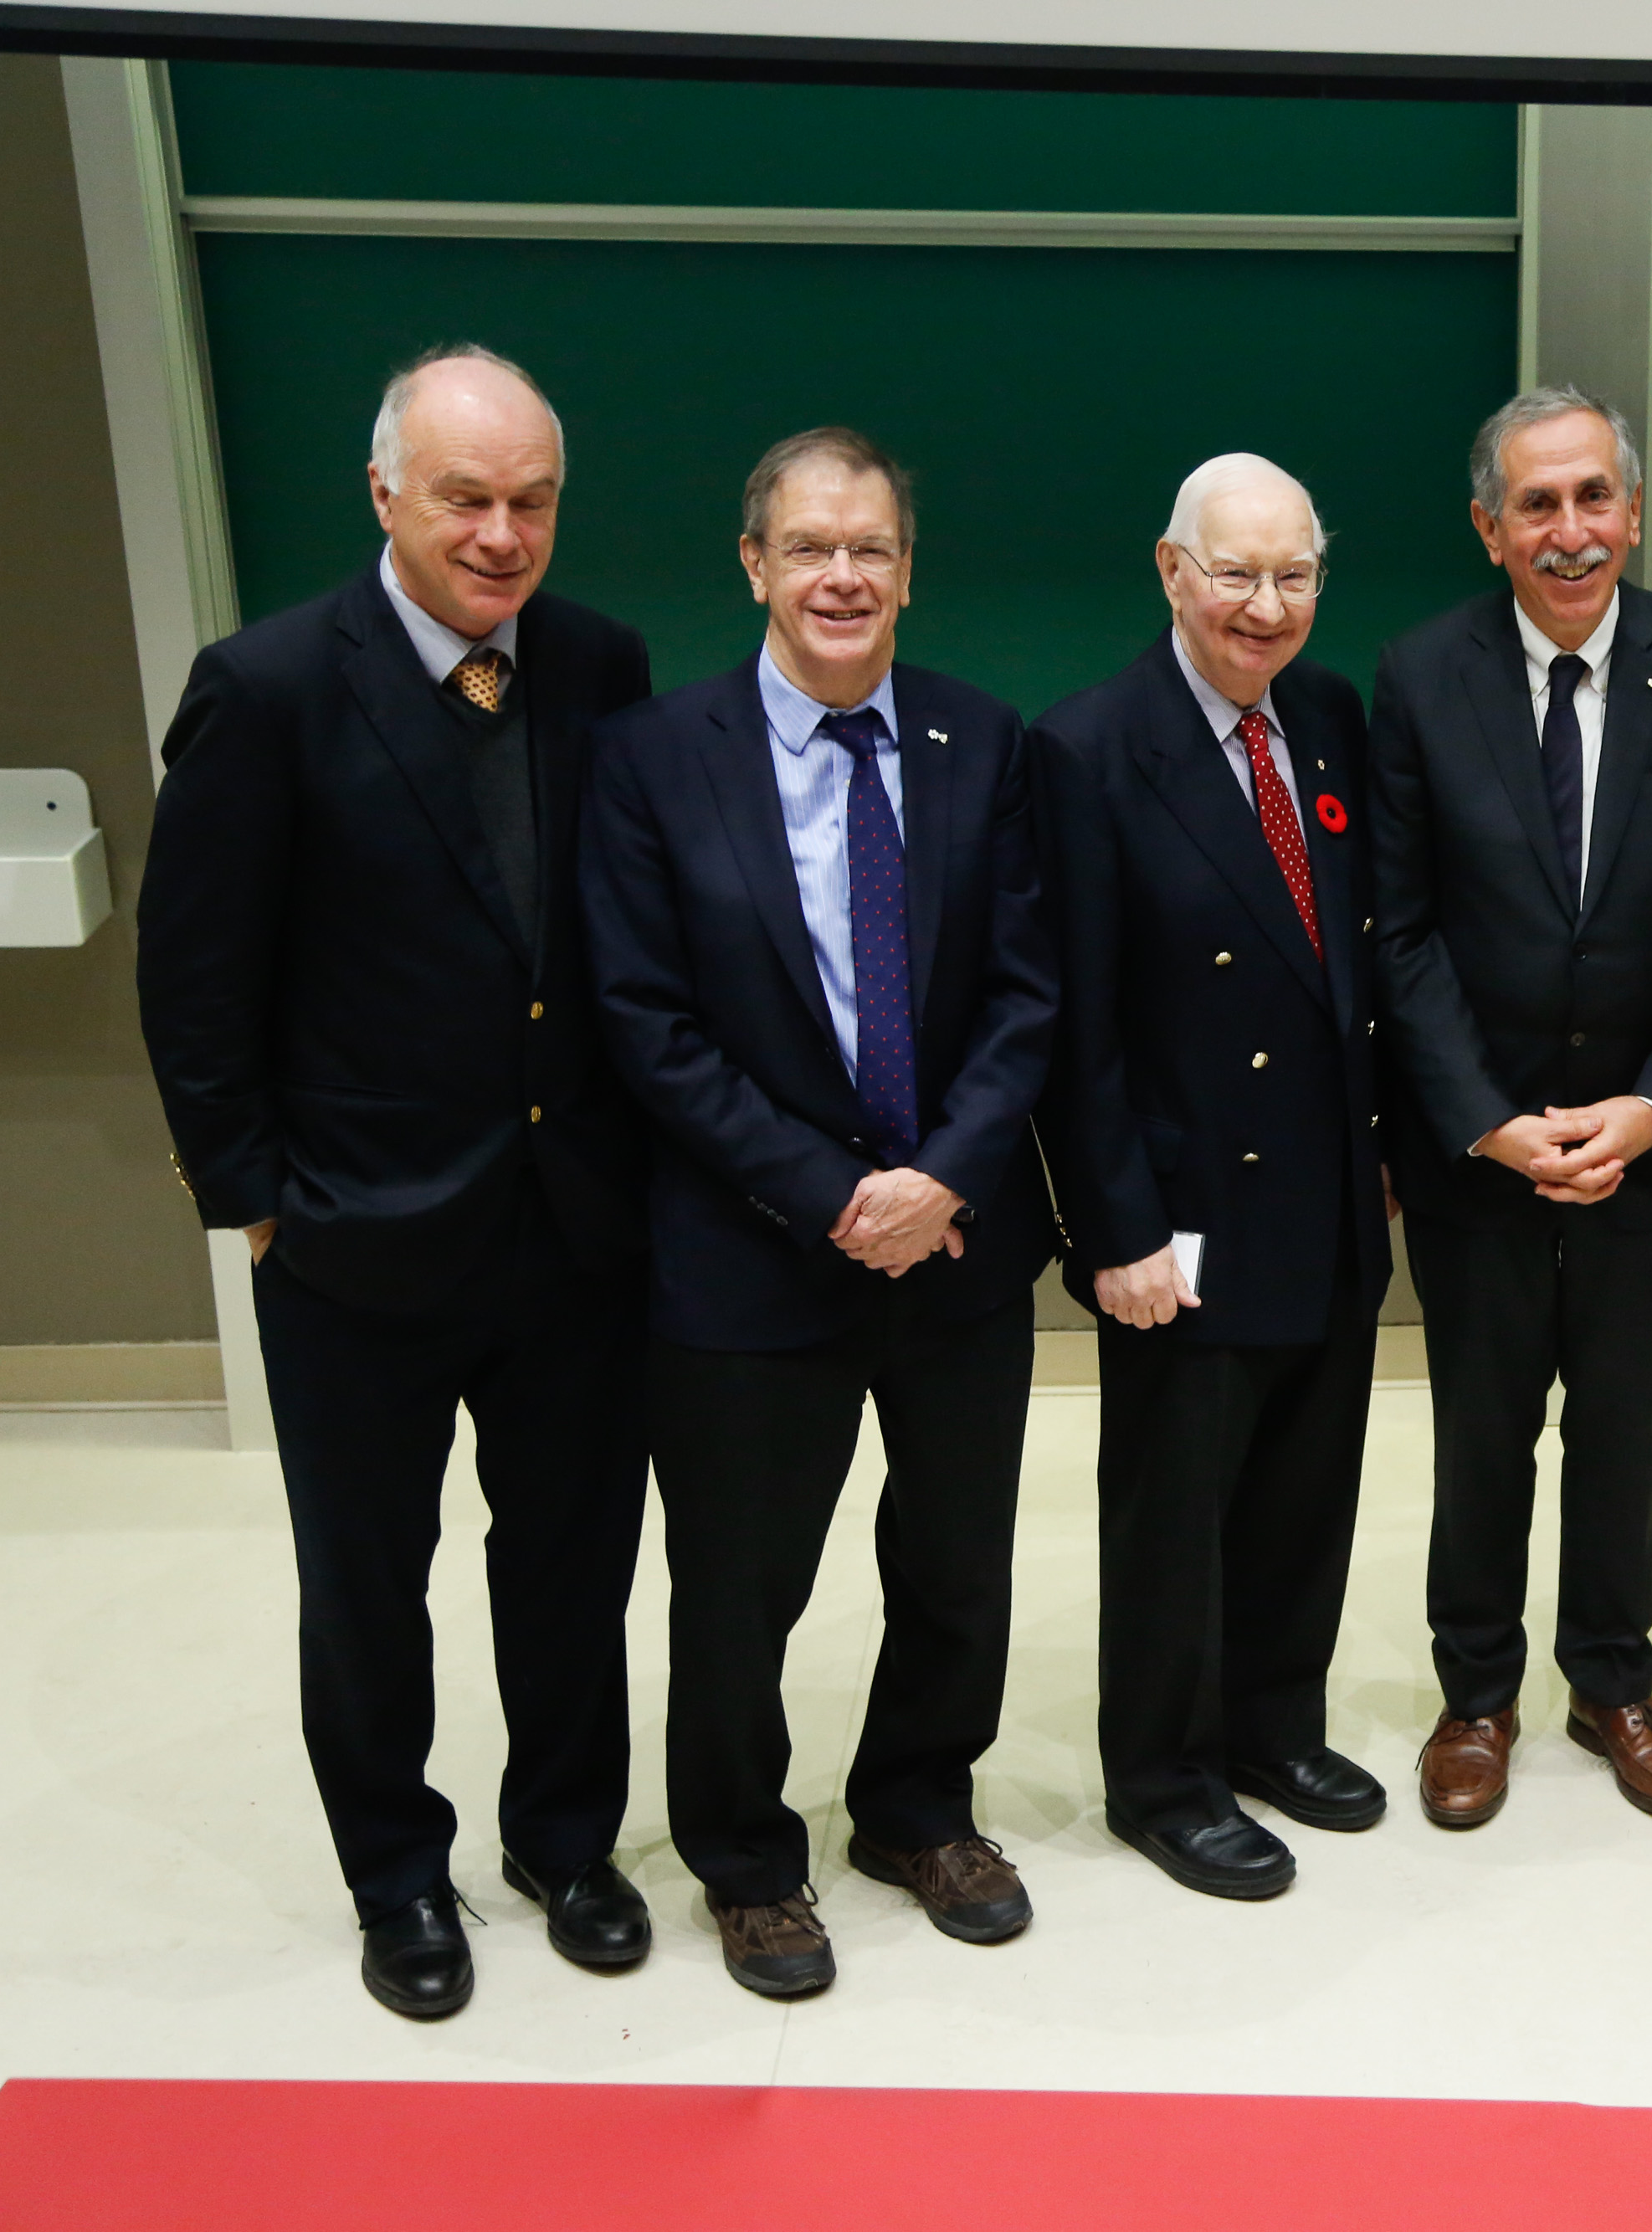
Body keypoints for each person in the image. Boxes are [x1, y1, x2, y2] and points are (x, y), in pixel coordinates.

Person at [136, 345, 655, 2019]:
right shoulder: (269, 682)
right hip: (355, 1229)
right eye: (465, 499)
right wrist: (251, 1195)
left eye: (530, 501)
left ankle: (567, 1841)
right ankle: (396, 1870)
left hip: (570, 1221)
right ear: (385, 494)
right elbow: (195, 970)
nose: (502, 536)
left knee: (571, 1556)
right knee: (367, 1578)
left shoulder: (599, 662)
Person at [583, 428, 1057, 1998]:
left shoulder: (989, 745)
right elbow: (647, 1023)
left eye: (871, 548)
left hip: (958, 1247)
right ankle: (742, 1854)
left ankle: (919, 1808)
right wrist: (830, 1193)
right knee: (741, 1578)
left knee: (955, 1560)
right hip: (746, 1254)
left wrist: (946, 1179)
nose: (842, 575)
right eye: (809, 548)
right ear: (755, 567)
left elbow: (1026, 997)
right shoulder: (656, 758)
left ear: (908, 570)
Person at [1370, 386, 1652, 1829]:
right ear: (1489, 529)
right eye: (1536, 505)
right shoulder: (1417, 678)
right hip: (1476, 1152)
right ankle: (1474, 1695)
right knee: (1480, 1428)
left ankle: (1613, 1680)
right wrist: (1482, 1117)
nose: (1571, 530)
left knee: (1625, 1423)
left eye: (1593, 497)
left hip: (1646, 1152)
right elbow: (1400, 931)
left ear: (1634, 509)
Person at [1030, 456, 1391, 1901]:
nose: (1265, 604)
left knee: (1308, 1490)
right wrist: (1111, 1225)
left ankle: (1272, 1727)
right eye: (1234, 573)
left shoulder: (1329, 718)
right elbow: (1074, 1022)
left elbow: (1343, 964)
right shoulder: (1087, 748)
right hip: (1176, 1217)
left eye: (1294, 574)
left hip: (1324, 1191)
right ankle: (1164, 1775)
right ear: (1171, 572)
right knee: (1178, 1513)